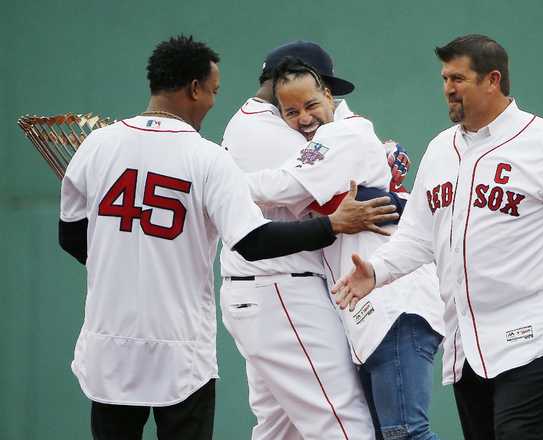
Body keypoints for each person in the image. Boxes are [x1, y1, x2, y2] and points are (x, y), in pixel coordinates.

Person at [57, 35, 397, 440]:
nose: (214, 101)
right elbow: (254, 239)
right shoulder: (205, 154)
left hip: (110, 338)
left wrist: (126, 264)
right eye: (213, 90)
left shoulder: (98, 144)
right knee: (342, 421)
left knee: (278, 428)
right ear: (195, 88)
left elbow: (72, 238)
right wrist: (333, 224)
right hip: (206, 327)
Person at [332, 34, 543, 440]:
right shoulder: (440, 151)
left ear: (493, 80)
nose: (448, 88)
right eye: (444, 78)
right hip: (467, 341)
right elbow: (417, 237)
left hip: (533, 333)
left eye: (459, 78)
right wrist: (375, 273)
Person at [245, 56, 446, 440]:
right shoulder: (336, 139)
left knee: (406, 434)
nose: (303, 117)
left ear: (328, 93)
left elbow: (284, 186)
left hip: (395, 308)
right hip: (371, 314)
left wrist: (212, 178)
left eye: (310, 104)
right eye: (290, 111)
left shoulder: (344, 134)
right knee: (389, 434)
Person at [218, 41, 382, 440]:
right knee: (345, 424)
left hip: (264, 291)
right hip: (282, 291)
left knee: (281, 430)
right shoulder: (265, 126)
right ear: (281, 85)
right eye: (296, 103)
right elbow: (314, 186)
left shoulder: (260, 121)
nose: (308, 114)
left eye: (317, 97)